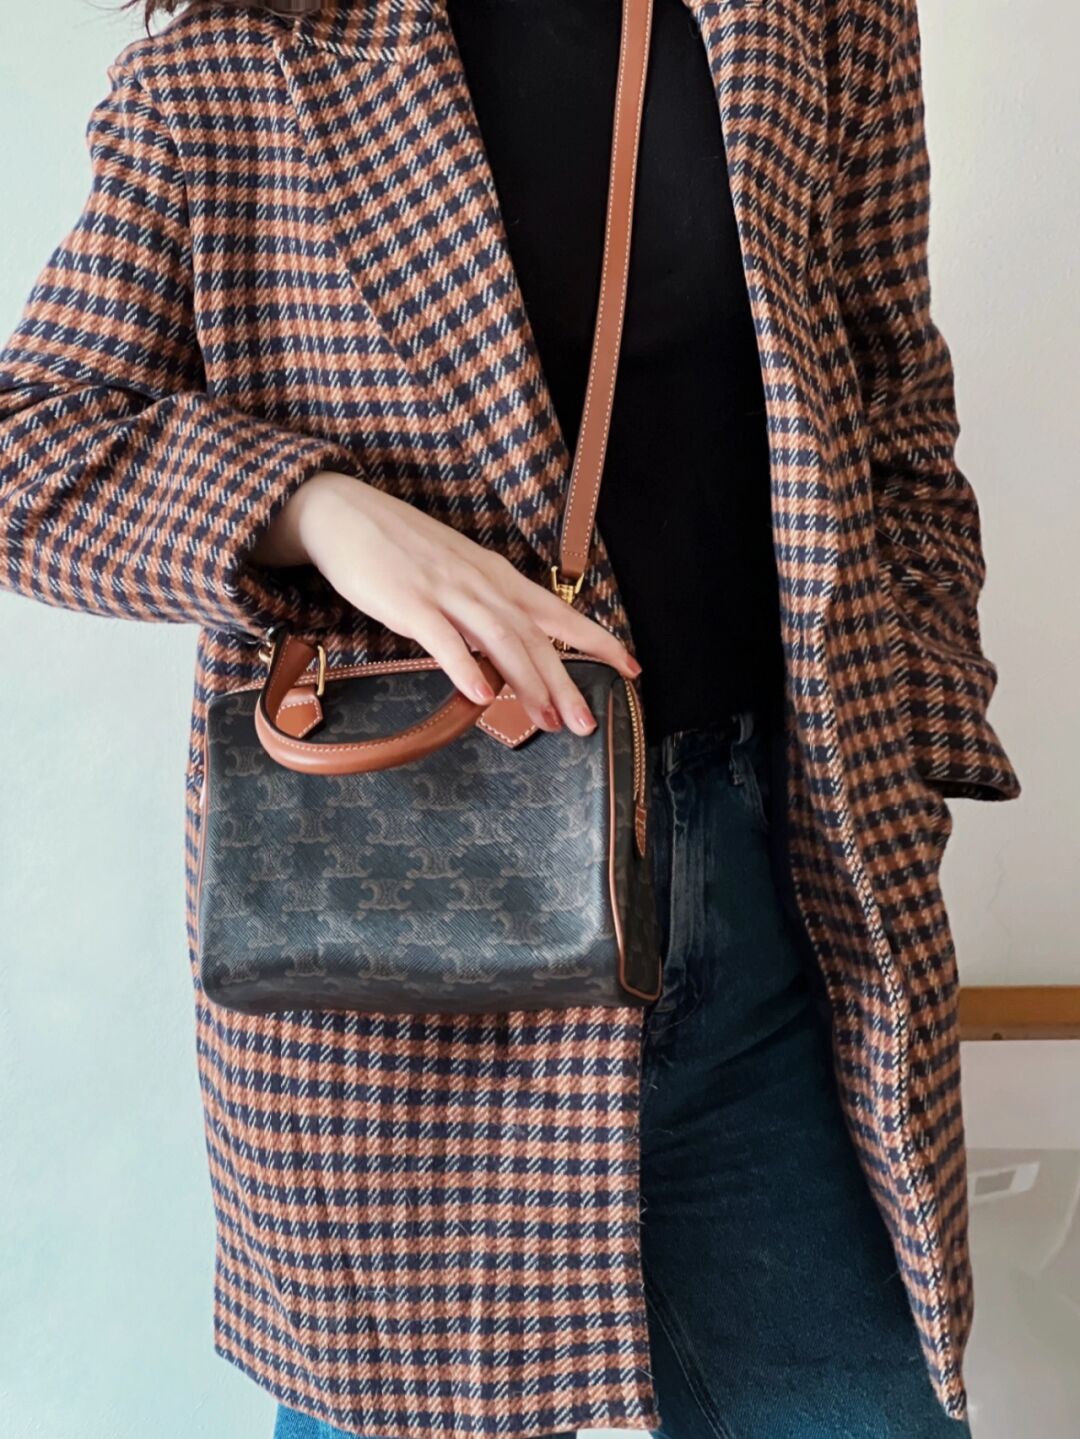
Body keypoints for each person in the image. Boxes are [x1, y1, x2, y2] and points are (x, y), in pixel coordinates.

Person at [0, 0, 1020, 1435]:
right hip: (411, 945)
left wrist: (918, 734)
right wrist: (311, 510)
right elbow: (30, 443)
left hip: (775, 905)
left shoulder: (819, 17)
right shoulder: (233, 57)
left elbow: (891, 385)